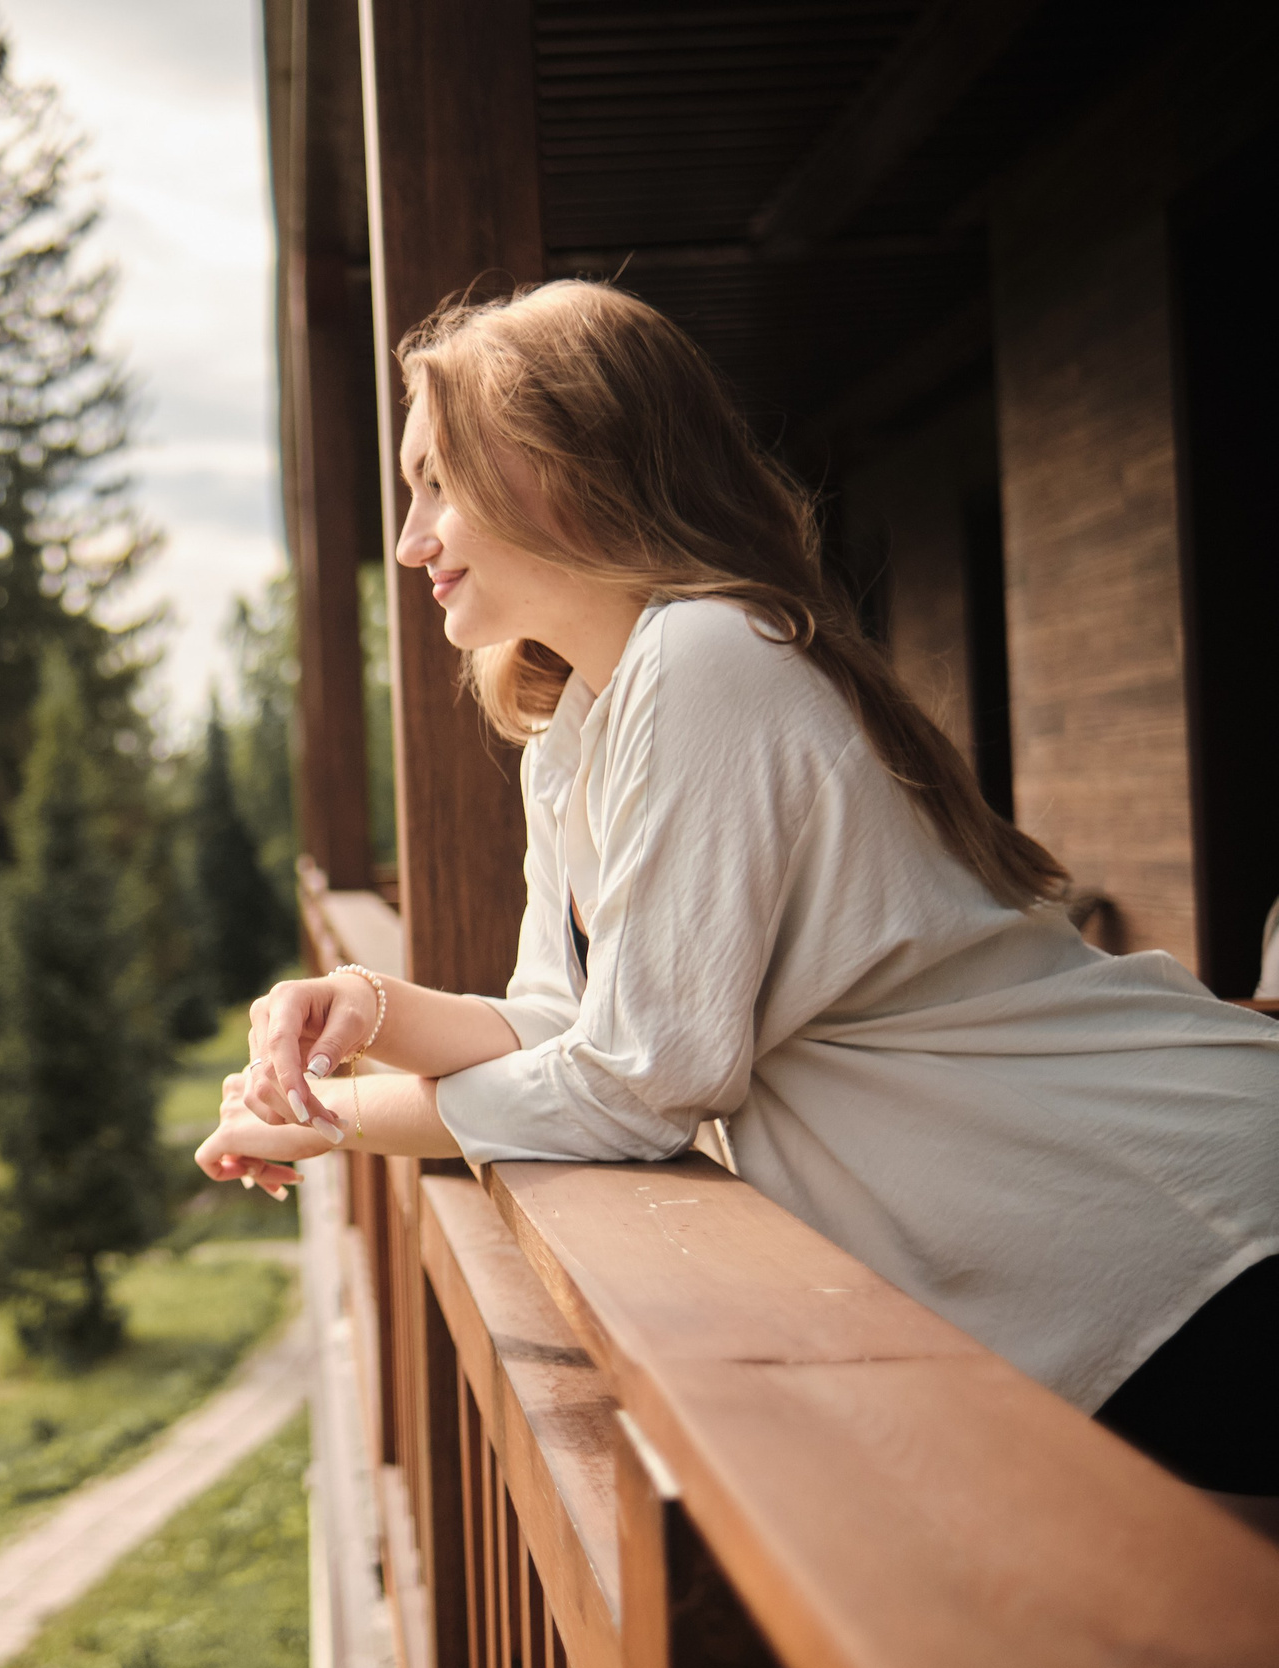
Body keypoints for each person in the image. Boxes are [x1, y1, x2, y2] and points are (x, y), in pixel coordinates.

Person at [196, 280, 1279, 1516]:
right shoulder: (576, 726)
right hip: (1094, 1243)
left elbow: (643, 1084)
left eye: (438, 481)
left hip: (1183, 1219)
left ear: (563, 466)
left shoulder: (705, 660)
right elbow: (564, 1026)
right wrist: (352, 1011)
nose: (409, 539)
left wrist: (338, 1123)